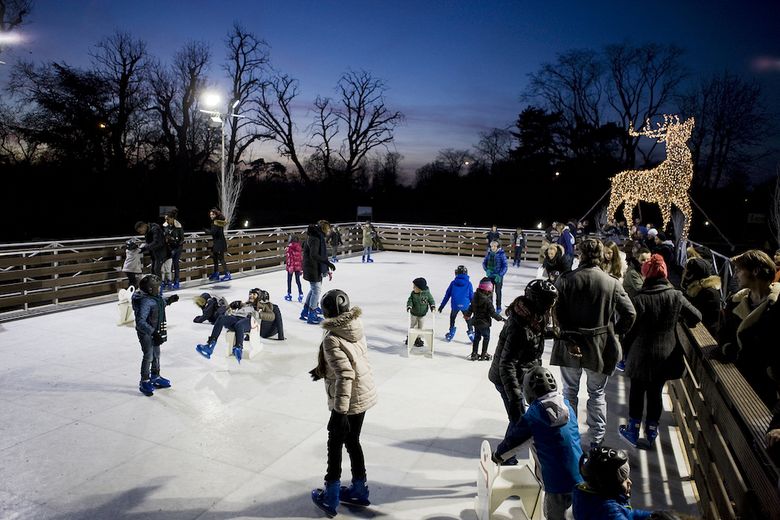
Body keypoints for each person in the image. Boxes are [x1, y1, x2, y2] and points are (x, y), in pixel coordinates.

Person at [551, 238, 636, 447]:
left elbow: (555, 312)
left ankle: (569, 435)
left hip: (570, 343)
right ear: (600, 255)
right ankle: (596, 439)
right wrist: (615, 332)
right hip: (599, 346)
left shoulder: (565, 280)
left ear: (580, 255)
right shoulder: (612, 282)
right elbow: (630, 314)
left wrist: (564, 334)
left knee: (569, 390)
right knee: (597, 393)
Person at [618, 255, 701, 448]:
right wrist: (680, 320)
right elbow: (696, 316)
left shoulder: (639, 298)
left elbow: (628, 330)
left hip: (640, 353)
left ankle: (632, 428)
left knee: (637, 391)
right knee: (655, 392)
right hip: (666, 353)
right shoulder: (676, 296)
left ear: (645, 274)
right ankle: (652, 430)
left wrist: (625, 352)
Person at [309, 289, 377, 517]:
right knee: (353, 441)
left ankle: (331, 495)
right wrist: (323, 369)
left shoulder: (332, 338)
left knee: (335, 442)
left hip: (348, 399)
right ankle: (359, 489)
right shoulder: (355, 327)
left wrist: (339, 412)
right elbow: (352, 361)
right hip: (362, 394)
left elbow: (345, 375)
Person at [491, 367, 583, 520]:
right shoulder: (568, 406)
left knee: (554, 515)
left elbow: (514, 442)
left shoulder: (534, 416)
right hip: (580, 475)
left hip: (556, 481)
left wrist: (498, 456)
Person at [489, 280, 558, 463]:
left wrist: (558, 334)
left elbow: (538, 334)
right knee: (519, 420)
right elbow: (507, 364)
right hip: (506, 378)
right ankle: (505, 459)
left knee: (520, 420)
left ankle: (507, 456)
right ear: (540, 302)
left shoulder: (535, 316)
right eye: (549, 304)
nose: (551, 308)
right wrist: (515, 396)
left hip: (524, 374)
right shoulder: (518, 326)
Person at [716, 249, 780, 407]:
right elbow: (722, 332)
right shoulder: (735, 301)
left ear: (756, 271)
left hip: (766, 390)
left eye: (738, 270)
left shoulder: (777, 306)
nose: (735, 274)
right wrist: (727, 349)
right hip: (734, 379)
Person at [572, 446, 652, 519]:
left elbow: (628, 513)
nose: (629, 482)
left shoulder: (584, 493)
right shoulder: (609, 511)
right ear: (609, 485)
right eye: (624, 479)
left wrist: (652, 515)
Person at [132, 274, 178, 396]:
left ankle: (155, 376)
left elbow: (158, 303)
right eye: (157, 287)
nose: (160, 289)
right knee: (148, 355)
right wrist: (153, 333)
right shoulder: (145, 301)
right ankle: (144, 380)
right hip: (147, 333)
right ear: (150, 289)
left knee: (156, 353)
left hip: (155, 331)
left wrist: (169, 300)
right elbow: (140, 322)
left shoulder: (154, 297)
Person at [195, 288, 263, 363]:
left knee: (239, 324)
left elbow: (269, 315)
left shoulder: (260, 306)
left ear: (259, 296)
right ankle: (210, 346)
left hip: (249, 321)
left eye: (254, 294)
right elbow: (227, 309)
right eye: (250, 294)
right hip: (236, 318)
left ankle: (238, 347)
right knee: (221, 318)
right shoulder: (244, 304)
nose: (251, 296)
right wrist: (232, 305)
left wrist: (258, 312)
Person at [302, 220, 336, 325]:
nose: (330, 231)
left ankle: (306, 311)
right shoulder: (315, 238)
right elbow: (314, 255)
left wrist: (325, 267)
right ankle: (312, 315)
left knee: (313, 290)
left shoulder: (317, 237)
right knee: (316, 290)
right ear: (325, 229)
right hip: (312, 268)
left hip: (315, 268)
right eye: (329, 229)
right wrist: (327, 263)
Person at [464, 277, 505, 361]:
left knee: (477, 337)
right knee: (486, 337)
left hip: (476, 322)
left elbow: (471, 308)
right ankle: (484, 353)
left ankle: (474, 353)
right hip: (484, 323)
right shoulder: (487, 301)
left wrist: (467, 315)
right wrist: (502, 319)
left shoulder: (475, 297)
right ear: (489, 289)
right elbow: (492, 313)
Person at [681, 257, 722, 336]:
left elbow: (695, 317)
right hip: (696, 329)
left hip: (705, 334)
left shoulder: (709, 293)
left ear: (691, 274)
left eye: (686, 271)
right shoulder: (695, 288)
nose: (684, 273)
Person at [438, 265, 475, 342]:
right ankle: (471, 332)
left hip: (455, 305)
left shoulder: (453, 283)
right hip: (465, 305)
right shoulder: (469, 283)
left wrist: (441, 306)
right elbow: (472, 296)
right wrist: (475, 307)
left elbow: (447, 295)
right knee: (468, 319)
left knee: (452, 317)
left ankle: (451, 332)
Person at [406, 277, 436, 348]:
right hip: (414, 313)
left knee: (420, 327)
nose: (413, 288)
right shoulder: (413, 294)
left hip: (422, 314)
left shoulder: (427, 294)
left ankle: (418, 338)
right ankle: (410, 337)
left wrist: (432, 306)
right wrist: (409, 306)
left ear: (420, 288)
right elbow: (410, 300)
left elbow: (431, 300)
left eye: (415, 287)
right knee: (413, 325)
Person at [483, 240, 508, 312]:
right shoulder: (489, 253)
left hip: (498, 276)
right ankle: (490, 307)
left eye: (494, 246)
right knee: (489, 292)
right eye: (491, 246)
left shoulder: (501, 254)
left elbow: (505, 266)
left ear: (498, 246)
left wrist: (500, 275)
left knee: (498, 291)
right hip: (490, 276)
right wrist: (486, 270)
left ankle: (498, 307)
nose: (493, 247)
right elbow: (484, 263)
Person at [206, 208, 230, 281]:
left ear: (215, 215)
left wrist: (205, 230)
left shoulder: (216, 222)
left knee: (221, 258)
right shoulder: (218, 222)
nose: (211, 216)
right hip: (218, 242)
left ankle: (227, 274)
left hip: (219, 243)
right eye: (210, 215)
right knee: (215, 258)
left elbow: (213, 232)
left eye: (212, 214)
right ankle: (216, 273)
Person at [163, 210, 184, 290]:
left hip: (177, 247)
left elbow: (182, 239)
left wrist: (175, 241)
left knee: (175, 263)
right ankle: (167, 281)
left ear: (172, 218)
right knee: (167, 265)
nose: (166, 221)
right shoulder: (165, 225)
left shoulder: (178, 226)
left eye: (168, 219)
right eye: (165, 219)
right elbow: (165, 234)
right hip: (169, 247)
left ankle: (176, 281)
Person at [284, 235, 304, 302]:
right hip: (298, 266)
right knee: (298, 280)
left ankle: (289, 294)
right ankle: (300, 293)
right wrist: (301, 268)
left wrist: (290, 267)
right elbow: (301, 258)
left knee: (289, 280)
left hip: (291, 267)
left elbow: (289, 258)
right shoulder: (299, 247)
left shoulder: (289, 247)